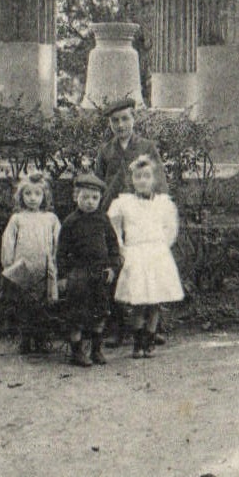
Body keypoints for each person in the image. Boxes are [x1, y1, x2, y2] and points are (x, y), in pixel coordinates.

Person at [107, 152, 184, 359]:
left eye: (147, 176)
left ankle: (149, 340)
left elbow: (171, 229)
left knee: (155, 300)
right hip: (135, 254)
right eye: (138, 176)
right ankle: (137, 342)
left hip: (157, 255)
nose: (142, 180)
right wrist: (122, 247)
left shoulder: (164, 203)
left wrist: (161, 247)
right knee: (139, 301)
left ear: (154, 179)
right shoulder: (124, 203)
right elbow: (114, 228)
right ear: (132, 180)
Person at [56, 169, 121, 368]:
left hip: (100, 272)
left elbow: (113, 246)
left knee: (100, 310)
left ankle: (96, 349)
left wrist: (112, 267)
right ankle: (76, 352)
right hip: (79, 273)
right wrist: (62, 276)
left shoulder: (103, 220)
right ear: (76, 197)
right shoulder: (70, 221)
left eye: (94, 198)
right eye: (85, 197)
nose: (89, 202)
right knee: (77, 312)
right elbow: (61, 251)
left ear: (100, 199)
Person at [0, 170, 60, 354]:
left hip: (43, 268)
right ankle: (25, 340)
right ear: (21, 196)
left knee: (42, 305)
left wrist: (55, 262)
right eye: (28, 194)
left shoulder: (50, 219)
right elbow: (8, 242)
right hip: (22, 267)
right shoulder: (17, 219)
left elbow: (58, 241)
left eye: (37, 194)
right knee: (24, 305)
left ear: (44, 196)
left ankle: (41, 340)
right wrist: (9, 264)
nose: (32, 198)